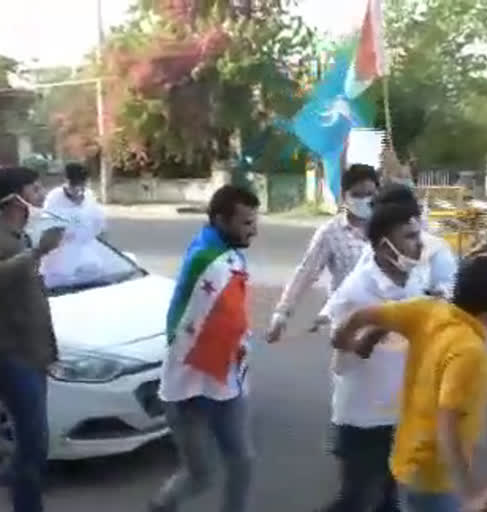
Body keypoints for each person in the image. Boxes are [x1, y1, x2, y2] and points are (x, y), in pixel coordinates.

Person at [332, 256, 487, 512]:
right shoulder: (470, 352)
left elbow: (364, 315)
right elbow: (447, 425)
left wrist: (345, 339)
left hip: (405, 464)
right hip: (435, 480)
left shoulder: (428, 311)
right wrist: (471, 495)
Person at [150, 185, 260, 512]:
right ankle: (159, 507)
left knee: (242, 461)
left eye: (254, 222)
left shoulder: (227, 252)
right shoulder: (208, 259)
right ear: (220, 220)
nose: (253, 231)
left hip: (225, 379)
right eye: (246, 223)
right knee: (201, 473)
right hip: (189, 386)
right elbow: (189, 323)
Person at [319, 201, 428, 512]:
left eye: (417, 235)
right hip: (363, 418)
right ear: (383, 246)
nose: (419, 244)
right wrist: (374, 335)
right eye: (409, 237)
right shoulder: (356, 292)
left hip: (399, 413)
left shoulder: (413, 280)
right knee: (356, 501)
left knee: (389, 501)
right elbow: (342, 358)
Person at [0, 166, 64, 512]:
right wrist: (38, 253)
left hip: (32, 351)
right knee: (34, 442)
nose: (42, 194)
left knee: (34, 440)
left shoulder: (21, 235)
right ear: (14, 197)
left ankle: (19, 482)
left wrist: (51, 349)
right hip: (12, 354)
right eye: (35, 188)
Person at [267, 164, 379, 343]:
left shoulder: (388, 227)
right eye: (358, 195)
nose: (365, 200)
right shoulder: (331, 232)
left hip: (386, 322)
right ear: (344, 196)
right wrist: (282, 313)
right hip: (347, 325)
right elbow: (306, 272)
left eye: (370, 194)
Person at [40, 162, 106, 288]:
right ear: (66, 181)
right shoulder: (54, 198)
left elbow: (99, 224)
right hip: (60, 265)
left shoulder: (90, 196)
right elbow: (48, 227)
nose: (77, 189)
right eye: (73, 184)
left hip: (88, 261)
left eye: (81, 184)